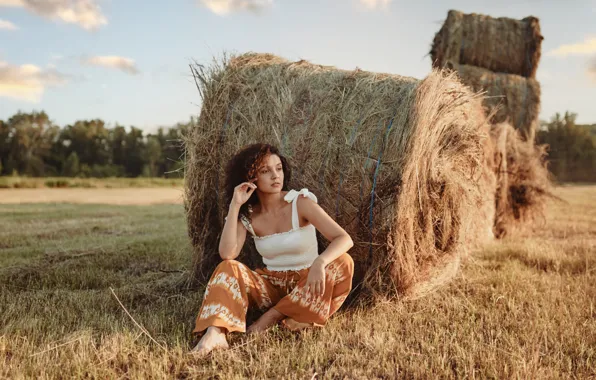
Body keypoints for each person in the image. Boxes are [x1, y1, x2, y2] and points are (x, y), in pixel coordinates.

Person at [191, 143, 354, 356]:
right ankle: (215, 332)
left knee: (344, 263)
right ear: (251, 177)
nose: (276, 176)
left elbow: (344, 238)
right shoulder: (248, 214)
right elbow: (228, 253)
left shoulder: (300, 202)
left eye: (278, 168)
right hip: (271, 286)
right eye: (265, 171)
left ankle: (270, 318)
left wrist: (320, 262)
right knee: (228, 267)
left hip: (307, 284)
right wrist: (235, 206)